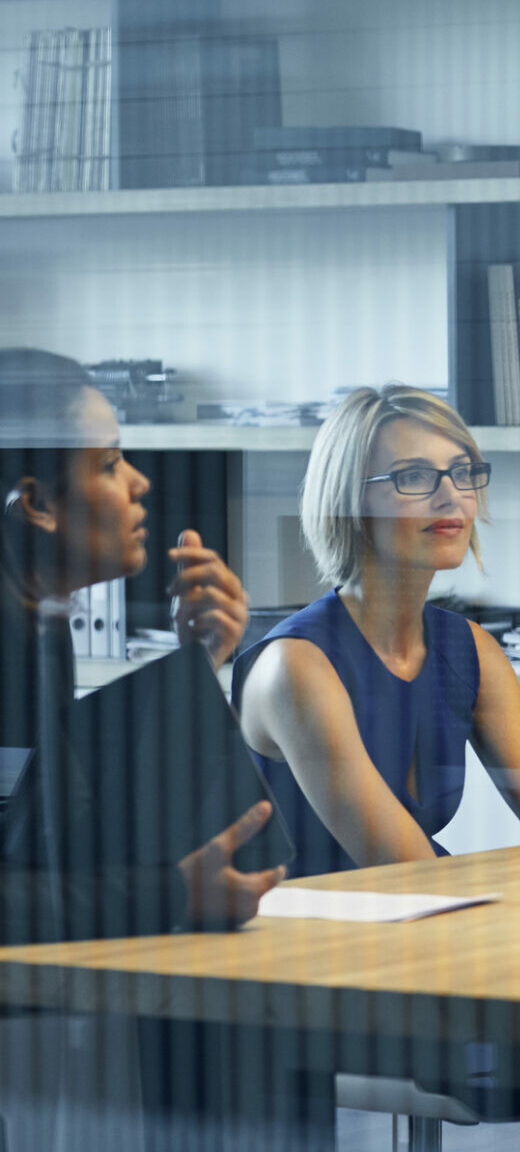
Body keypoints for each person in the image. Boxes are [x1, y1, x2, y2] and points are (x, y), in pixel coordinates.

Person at [234, 384, 520, 876]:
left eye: (463, 473)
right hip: (313, 918)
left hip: (423, 907)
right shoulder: (295, 667)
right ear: (350, 499)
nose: (451, 496)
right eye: (414, 476)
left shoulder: (471, 651)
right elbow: (408, 872)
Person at [0, 347, 280, 939]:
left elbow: (48, 833)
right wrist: (172, 894)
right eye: (109, 463)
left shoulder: (41, 619)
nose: (140, 481)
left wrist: (196, 663)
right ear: (38, 505)